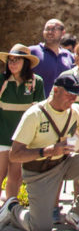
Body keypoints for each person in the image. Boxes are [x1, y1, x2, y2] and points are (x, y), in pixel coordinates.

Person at [0, 74, 79, 231]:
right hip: (39, 171)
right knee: (40, 228)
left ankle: (78, 214)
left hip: (63, 163)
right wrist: (46, 151)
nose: (72, 99)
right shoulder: (34, 114)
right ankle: (13, 208)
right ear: (55, 90)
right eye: (68, 94)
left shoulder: (76, 111)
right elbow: (15, 155)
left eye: (75, 95)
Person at [0, 44, 44, 203]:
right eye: (10, 60)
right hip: (2, 134)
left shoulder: (36, 82)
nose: (12, 64)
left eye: (16, 60)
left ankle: (9, 210)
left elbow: (39, 110)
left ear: (25, 62)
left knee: (15, 176)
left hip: (23, 137)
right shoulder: (1, 80)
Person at [28, 19, 75, 94]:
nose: (49, 32)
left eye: (53, 29)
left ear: (63, 33)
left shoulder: (68, 56)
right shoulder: (32, 52)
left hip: (61, 104)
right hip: (37, 104)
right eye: (47, 29)